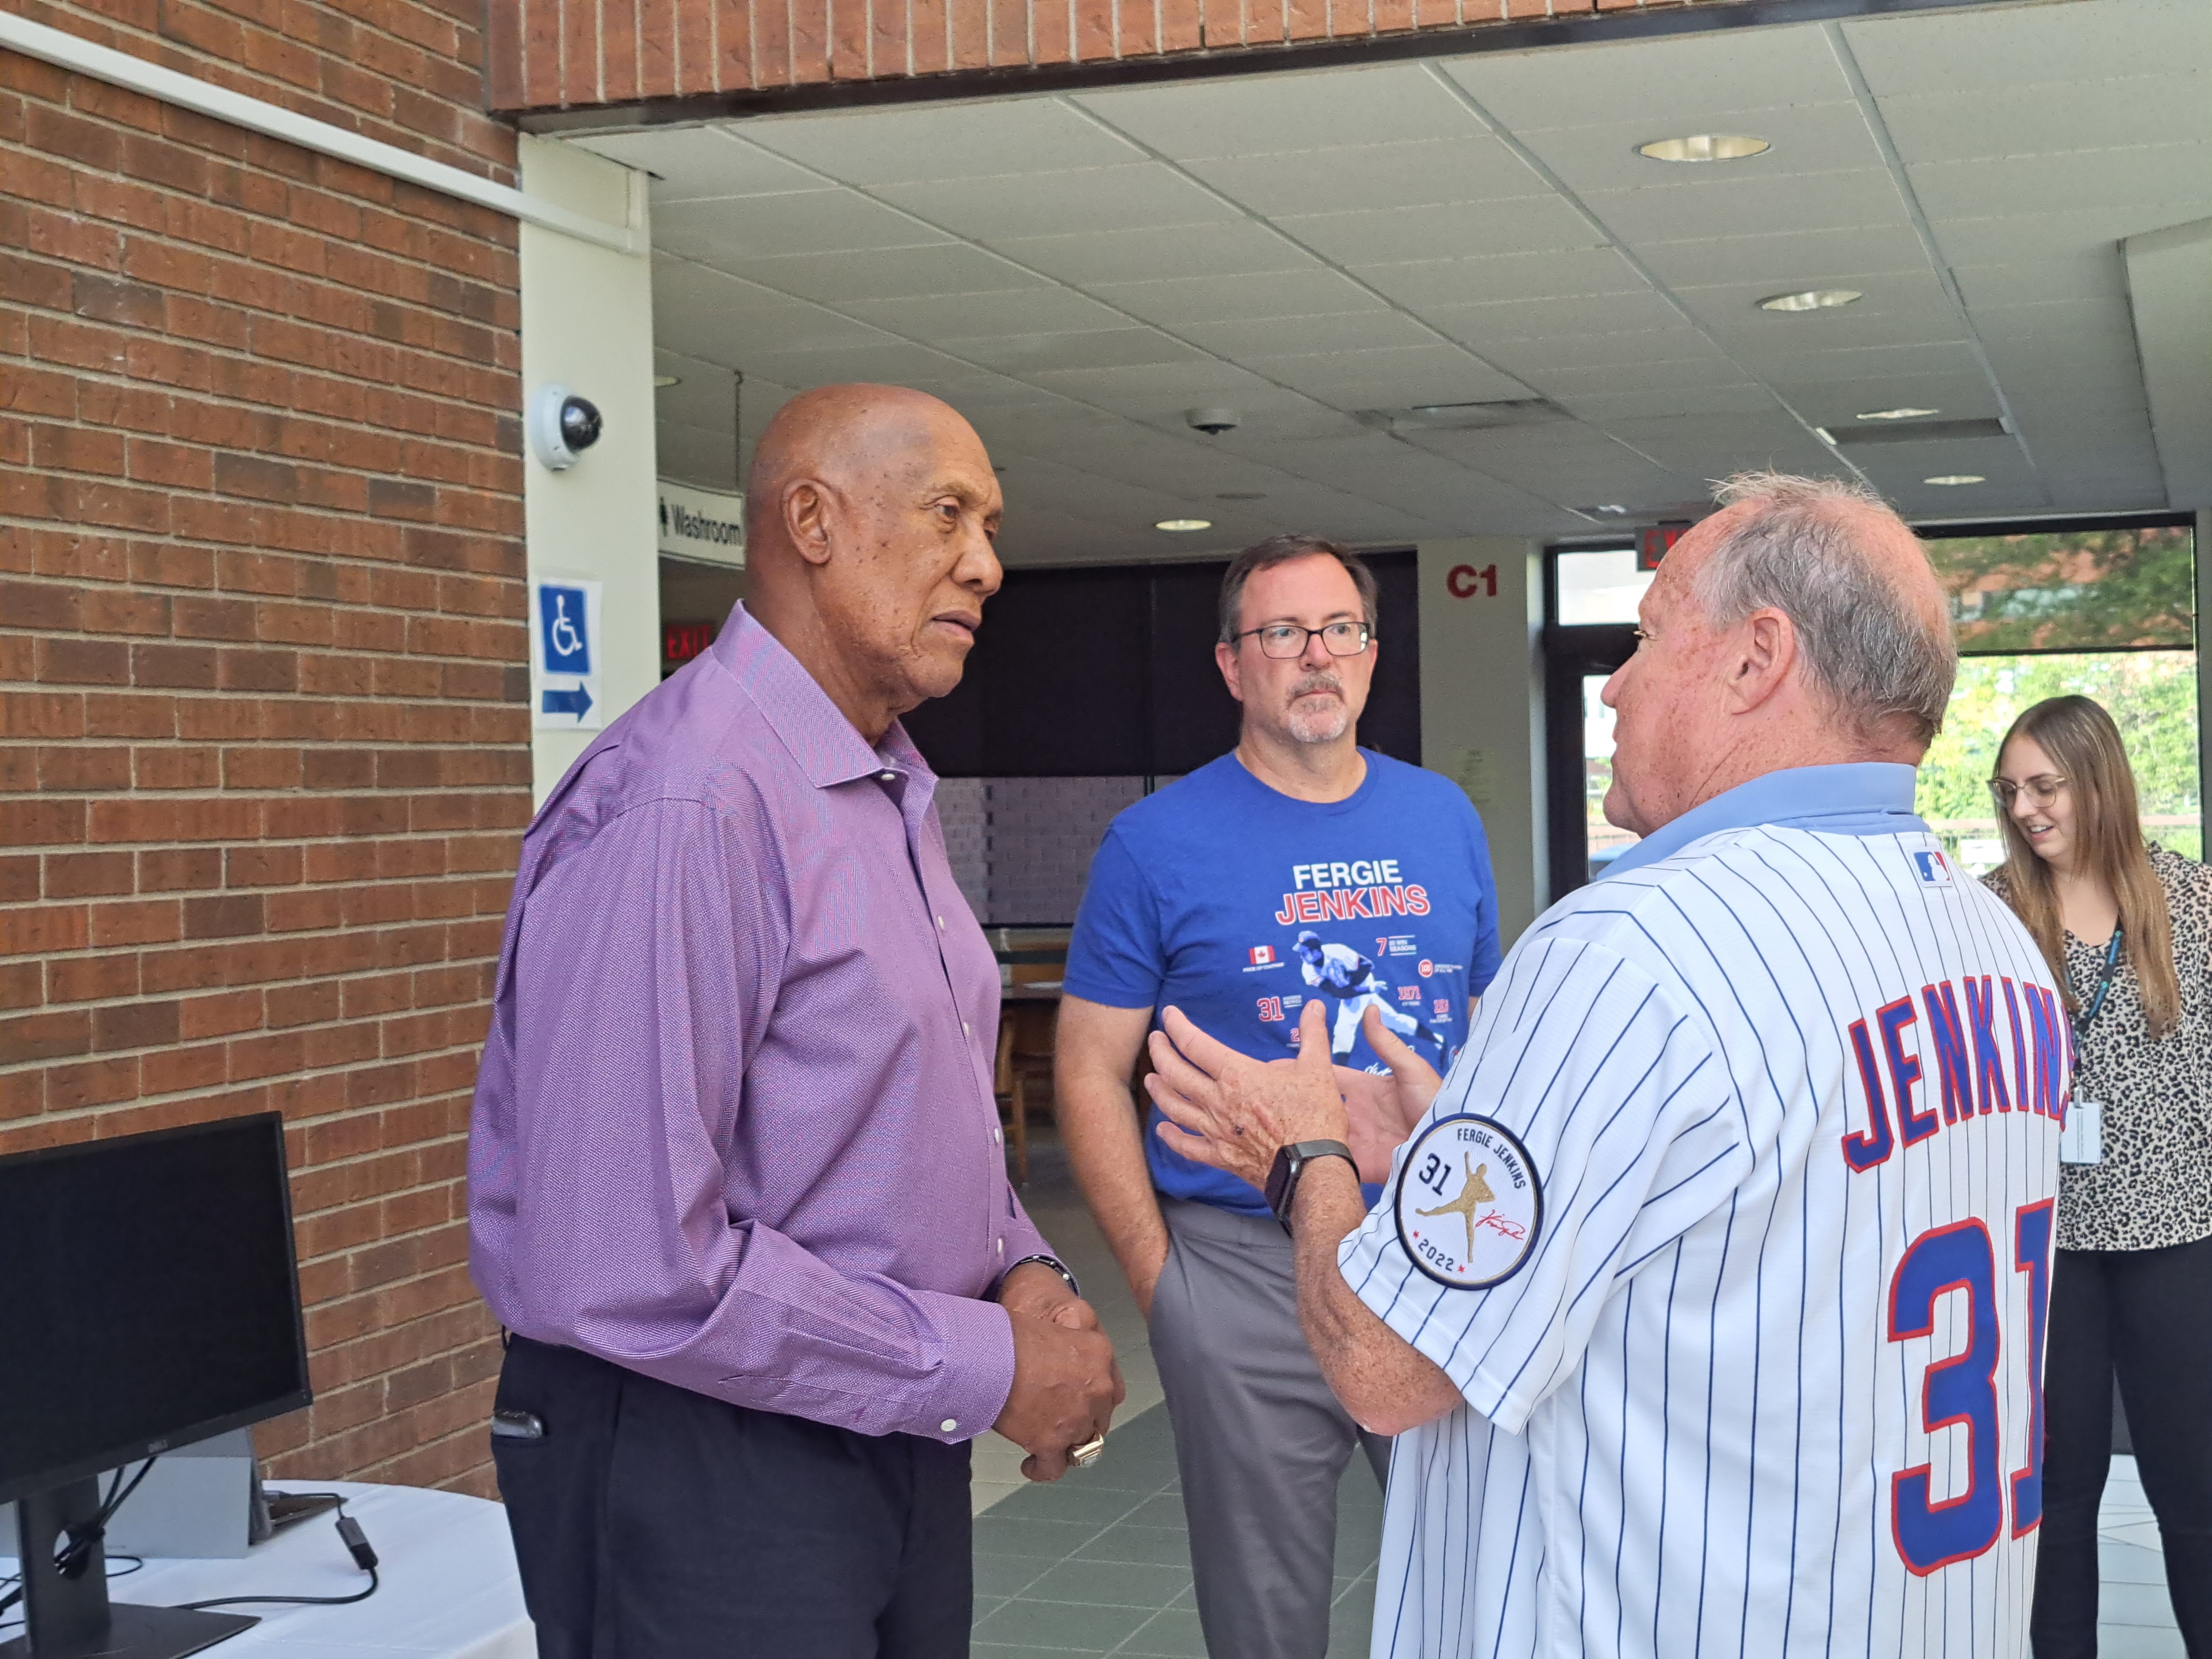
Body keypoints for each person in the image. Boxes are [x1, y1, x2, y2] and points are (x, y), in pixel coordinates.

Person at [1145, 474, 2073, 1659]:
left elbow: (1387, 1368)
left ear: (1755, 660)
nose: (1615, 685)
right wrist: (1458, 1139)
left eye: (1646, 637)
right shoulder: (1995, 942)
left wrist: (1304, 1154)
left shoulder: (1629, 950)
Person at [468, 384, 1122, 1659]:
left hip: (881, 1420)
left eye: (989, 527)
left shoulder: (882, 789)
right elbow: (625, 1263)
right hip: (702, 1461)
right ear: (813, 522)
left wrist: (1021, 1270)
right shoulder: (688, 803)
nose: (985, 565)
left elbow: (901, 1111)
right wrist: (985, 1365)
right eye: (948, 514)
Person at [1057, 534, 1500, 1659]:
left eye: (1339, 630)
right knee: (1266, 1614)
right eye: (1282, 633)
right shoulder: (1152, 845)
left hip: (1429, 1249)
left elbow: (1485, 1029)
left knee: (1480, 1582)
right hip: (1242, 1269)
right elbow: (1087, 1071)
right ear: (1230, 664)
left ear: (1370, 652)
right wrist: (1163, 1287)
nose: (1316, 655)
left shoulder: (1443, 817)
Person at [1983, 695, 2212, 1655]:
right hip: (2046, 1250)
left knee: (2193, 1491)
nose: (2024, 809)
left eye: (2044, 787)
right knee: (2055, 1494)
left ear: (2097, 781)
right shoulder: (1990, 914)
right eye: (2007, 791)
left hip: (2178, 1235)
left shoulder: (2189, 900)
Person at [1294, 929, 1449, 1062]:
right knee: (1393, 1020)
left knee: (1344, 1028)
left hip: (1363, 981)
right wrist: (1368, 989)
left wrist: (1363, 985)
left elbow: (1367, 965)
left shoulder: (1338, 951)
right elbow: (1338, 992)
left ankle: (1340, 1075)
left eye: (1304, 952)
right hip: (1356, 991)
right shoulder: (1308, 970)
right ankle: (1438, 1040)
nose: (1301, 956)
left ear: (1316, 952)